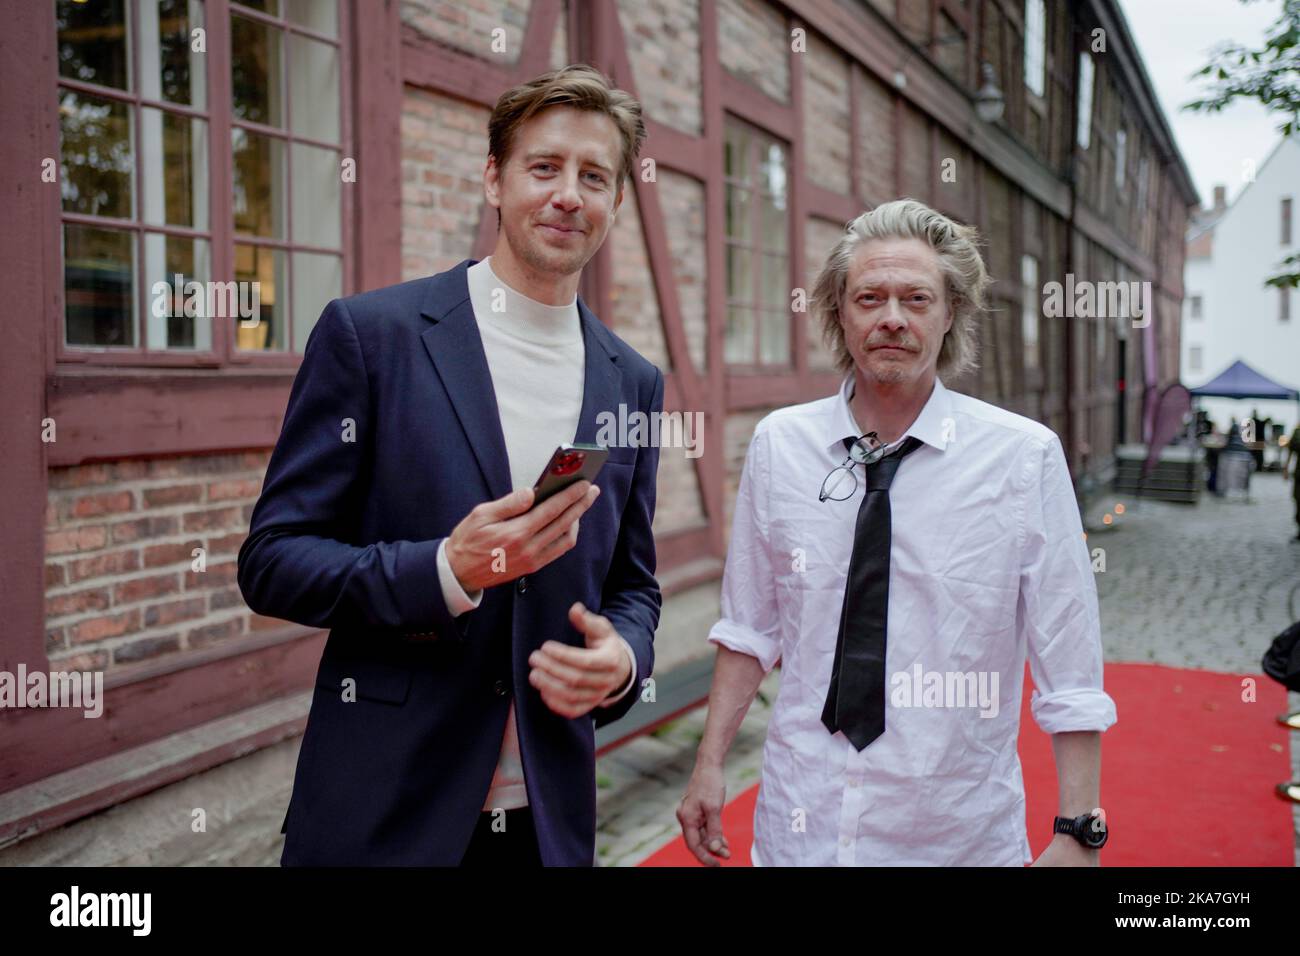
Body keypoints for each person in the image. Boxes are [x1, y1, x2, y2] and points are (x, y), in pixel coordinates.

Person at [238, 65, 663, 866]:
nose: (569, 194)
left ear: (614, 203)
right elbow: (271, 563)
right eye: (544, 167)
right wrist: (442, 569)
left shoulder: (632, 380)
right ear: (494, 180)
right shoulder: (373, 337)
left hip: (545, 822)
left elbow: (633, 584)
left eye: (594, 176)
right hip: (384, 812)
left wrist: (624, 661)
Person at [677, 199, 1117, 866]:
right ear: (839, 312)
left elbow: (1070, 655)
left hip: (953, 835)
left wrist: (1079, 831)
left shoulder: (1022, 459)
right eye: (869, 297)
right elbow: (748, 629)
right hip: (801, 827)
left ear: (949, 315)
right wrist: (709, 764)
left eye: (916, 298)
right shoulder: (780, 446)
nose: (892, 317)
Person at [1285, 422, 1300, 541]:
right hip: (1299, 474)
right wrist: (1286, 468)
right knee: (1297, 499)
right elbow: (1291, 451)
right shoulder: (1297, 433)